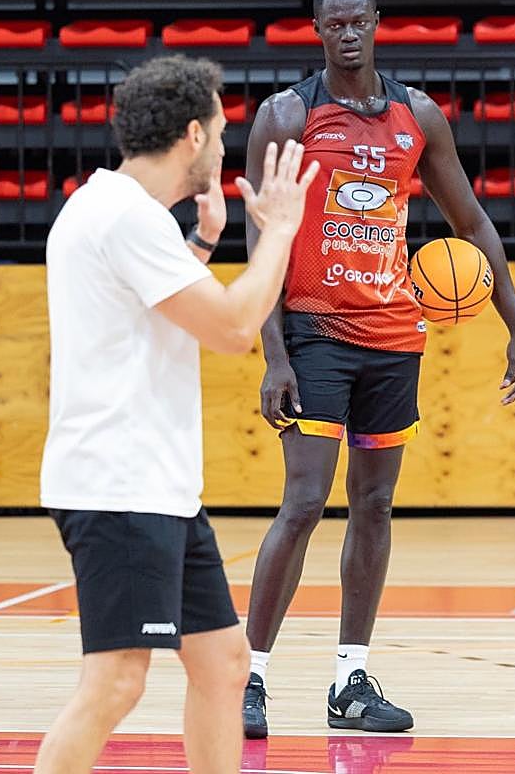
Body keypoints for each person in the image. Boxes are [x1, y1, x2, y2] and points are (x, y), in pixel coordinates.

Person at [241, 0, 515, 738]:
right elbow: (261, 240)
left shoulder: (418, 118)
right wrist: (272, 353)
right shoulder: (285, 116)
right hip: (314, 334)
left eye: (359, 22)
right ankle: (248, 676)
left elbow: (470, 223)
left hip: (395, 340)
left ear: (377, 23)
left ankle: (349, 682)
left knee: (373, 505)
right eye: (333, 24)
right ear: (316, 30)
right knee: (304, 502)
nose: (347, 34)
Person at [36, 55, 319, 774]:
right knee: (117, 682)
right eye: (222, 130)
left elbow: (158, 316)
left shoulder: (117, 212)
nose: (226, 145)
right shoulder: (126, 220)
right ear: (193, 135)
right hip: (118, 486)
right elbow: (231, 330)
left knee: (223, 664)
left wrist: (200, 246)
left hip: (153, 487)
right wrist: (280, 232)